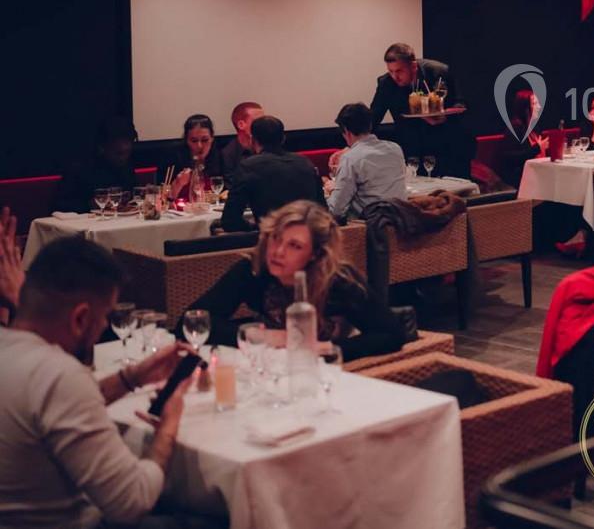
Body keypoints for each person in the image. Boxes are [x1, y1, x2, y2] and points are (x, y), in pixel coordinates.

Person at [0, 235, 195, 529]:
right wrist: (168, 428)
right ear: (80, 318)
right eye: (104, 316)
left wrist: (133, 377)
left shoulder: (19, 356)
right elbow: (132, 503)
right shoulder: (59, 375)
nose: (104, 326)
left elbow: (51, 408)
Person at [191, 201, 403, 361]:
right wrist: (262, 336)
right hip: (274, 370)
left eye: (295, 246)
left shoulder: (338, 281)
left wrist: (326, 349)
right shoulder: (253, 270)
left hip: (329, 377)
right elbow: (192, 322)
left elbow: (391, 333)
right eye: (276, 238)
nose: (278, 252)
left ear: (315, 254)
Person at [369, 42, 474, 179]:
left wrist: (444, 116)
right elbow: (373, 117)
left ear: (413, 66)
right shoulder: (386, 83)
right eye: (391, 71)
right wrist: (356, 141)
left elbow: (460, 103)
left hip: (447, 146)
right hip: (413, 149)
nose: (395, 77)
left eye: (399, 71)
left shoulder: (439, 72)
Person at [219, 116, 324, 232]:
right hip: (309, 238)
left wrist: (254, 227)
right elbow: (323, 211)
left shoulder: (248, 167)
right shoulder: (305, 163)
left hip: (271, 239)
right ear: (283, 139)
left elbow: (230, 221)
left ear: (252, 140)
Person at [325, 103, 407, 221]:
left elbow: (336, 210)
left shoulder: (350, 158)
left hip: (368, 228)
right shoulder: (395, 149)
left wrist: (333, 191)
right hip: (401, 222)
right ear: (370, 125)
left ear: (346, 131)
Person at [53, 117, 139, 213]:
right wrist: (90, 204)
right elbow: (59, 205)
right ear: (102, 148)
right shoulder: (80, 169)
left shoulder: (126, 168)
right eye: (118, 153)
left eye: (127, 152)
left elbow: (132, 197)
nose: (123, 158)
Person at [493, 89, 548, 189]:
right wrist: (537, 148)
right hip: (521, 180)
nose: (539, 107)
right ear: (525, 108)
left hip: (537, 175)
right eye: (535, 103)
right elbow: (510, 158)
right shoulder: (515, 129)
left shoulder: (534, 128)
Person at [166, 114, 224, 202]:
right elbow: (164, 201)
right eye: (194, 141)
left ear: (212, 138)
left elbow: (227, 193)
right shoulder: (173, 159)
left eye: (205, 140)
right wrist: (178, 183)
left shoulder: (222, 158)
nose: (199, 146)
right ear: (186, 140)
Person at [220, 101, 264, 180]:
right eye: (258, 121)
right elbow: (232, 185)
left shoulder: (268, 145)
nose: (264, 124)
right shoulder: (228, 154)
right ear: (241, 125)